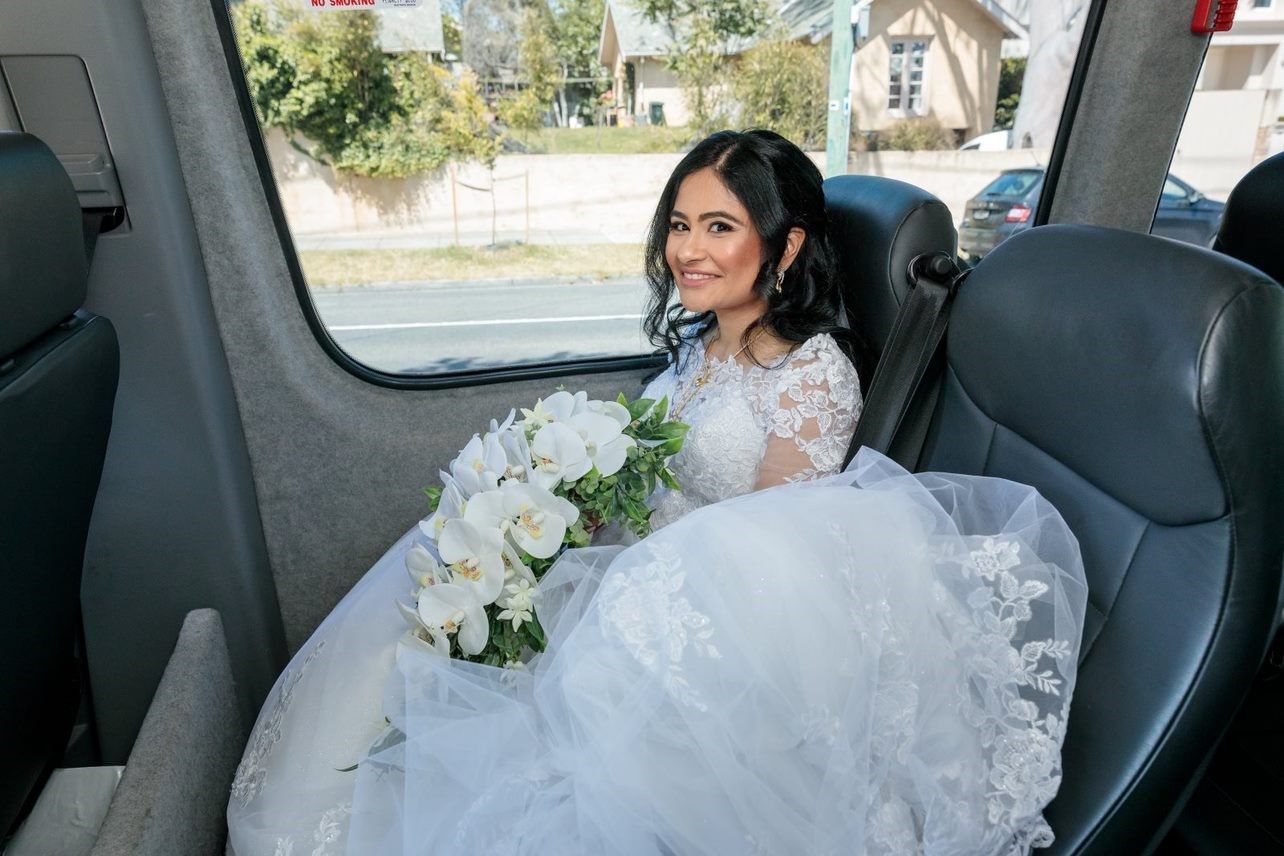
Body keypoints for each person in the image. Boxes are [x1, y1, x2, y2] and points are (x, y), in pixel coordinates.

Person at [227, 130, 1087, 855]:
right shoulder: (697, 348)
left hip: (700, 634)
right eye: (680, 225)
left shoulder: (811, 376)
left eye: (720, 226)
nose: (687, 250)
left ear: (785, 247)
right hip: (625, 581)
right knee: (419, 629)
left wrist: (618, 590)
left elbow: (775, 555)